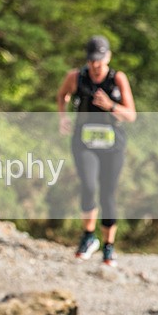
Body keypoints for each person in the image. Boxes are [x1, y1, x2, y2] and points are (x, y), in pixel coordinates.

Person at [56, 35, 136, 267]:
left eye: (100, 60)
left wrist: (110, 105)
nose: (96, 65)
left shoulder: (118, 79)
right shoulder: (76, 77)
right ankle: (89, 237)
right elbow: (62, 95)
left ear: (108, 57)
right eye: (92, 60)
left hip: (113, 144)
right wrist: (63, 118)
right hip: (84, 142)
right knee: (89, 186)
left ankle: (109, 246)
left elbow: (131, 115)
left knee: (108, 194)